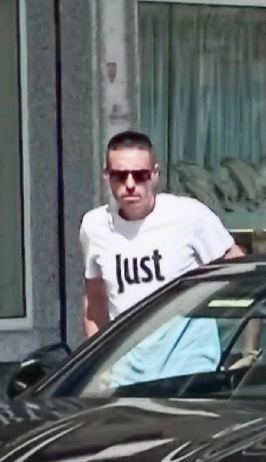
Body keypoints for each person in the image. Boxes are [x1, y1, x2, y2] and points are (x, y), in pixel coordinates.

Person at [81, 130, 240, 336]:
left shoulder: (190, 215)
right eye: (120, 176)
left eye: (140, 175)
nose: (130, 185)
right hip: (127, 360)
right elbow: (95, 300)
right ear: (107, 178)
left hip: (189, 360)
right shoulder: (94, 226)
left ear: (155, 175)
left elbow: (242, 275)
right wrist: (99, 363)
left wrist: (249, 350)